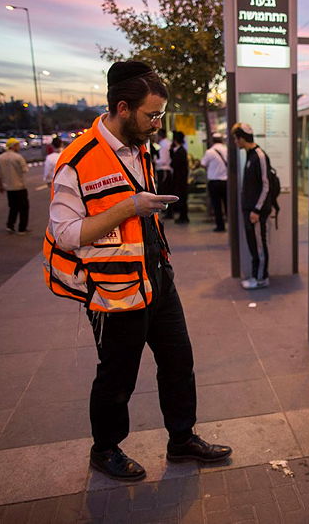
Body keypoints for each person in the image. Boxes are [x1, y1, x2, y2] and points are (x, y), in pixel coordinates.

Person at [44, 60, 231, 482]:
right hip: (113, 290)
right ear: (123, 108)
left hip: (156, 279)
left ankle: (181, 439)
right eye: (152, 115)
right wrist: (129, 206)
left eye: (161, 115)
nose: (158, 124)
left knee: (179, 360)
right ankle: (105, 449)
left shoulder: (138, 147)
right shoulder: (77, 160)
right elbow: (66, 233)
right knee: (117, 377)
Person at [231, 122, 271, 290]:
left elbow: (266, 184)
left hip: (256, 212)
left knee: (259, 245)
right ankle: (256, 276)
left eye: (235, 138)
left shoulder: (259, 155)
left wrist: (256, 210)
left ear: (241, 138)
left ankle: (261, 278)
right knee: (253, 245)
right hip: (250, 210)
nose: (235, 142)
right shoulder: (249, 154)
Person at [0, 137, 30, 234]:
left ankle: (10, 225)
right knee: (23, 208)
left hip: (9, 187)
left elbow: (0, 174)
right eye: (18, 145)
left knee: (13, 207)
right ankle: (22, 228)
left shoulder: (0, 158)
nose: (19, 147)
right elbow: (25, 170)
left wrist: (1, 186)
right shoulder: (18, 157)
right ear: (14, 146)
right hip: (20, 187)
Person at [201, 133, 228, 232]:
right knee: (227, 205)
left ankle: (220, 226)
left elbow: (203, 164)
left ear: (212, 140)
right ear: (221, 140)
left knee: (217, 205)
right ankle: (231, 225)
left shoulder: (210, 152)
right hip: (226, 181)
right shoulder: (226, 150)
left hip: (214, 182)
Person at [170, 131, 190, 224]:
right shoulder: (182, 150)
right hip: (182, 178)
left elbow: (174, 164)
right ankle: (183, 215)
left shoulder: (179, 151)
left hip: (180, 178)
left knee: (182, 197)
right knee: (182, 197)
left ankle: (183, 216)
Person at [154, 129, 173, 215]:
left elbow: (163, 160)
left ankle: (167, 211)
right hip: (167, 170)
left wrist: (155, 160)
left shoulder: (163, 145)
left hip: (163, 170)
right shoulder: (168, 143)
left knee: (164, 191)